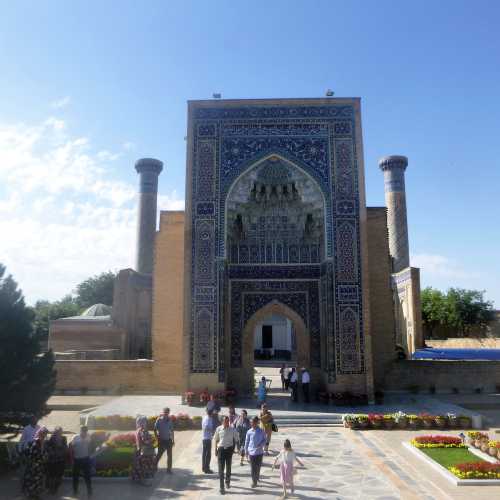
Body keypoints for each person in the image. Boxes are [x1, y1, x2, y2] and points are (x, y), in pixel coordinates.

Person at [214, 415, 239, 495]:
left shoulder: (232, 429)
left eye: (228, 421)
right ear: (222, 422)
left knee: (228, 467)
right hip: (221, 450)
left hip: (229, 450)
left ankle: (227, 482)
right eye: (225, 421)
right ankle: (222, 487)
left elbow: (237, 439)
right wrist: (215, 449)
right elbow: (216, 439)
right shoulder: (218, 429)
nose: (227, 423)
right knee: (220, 470)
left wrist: (234, 448)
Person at [22, 426, 48, 499]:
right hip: (34, 466)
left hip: (40, 465)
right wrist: (42, 457)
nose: (44, 435)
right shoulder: (35, 442)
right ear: (39, 433)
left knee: (38, 480)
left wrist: (45, 456)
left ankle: (36, 495)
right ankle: (30, 495)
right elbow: (32, 454)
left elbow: (45, 453)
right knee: (32, 480)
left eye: (45, 434)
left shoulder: (43, 442)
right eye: (43, 434)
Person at [131, 416, 156, 486]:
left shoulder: (137, 430)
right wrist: (152, 439)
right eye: (145, 422)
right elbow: (146, 441)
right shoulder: (143, 430)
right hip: (144, 452)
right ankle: (144, 482)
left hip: (138, 451)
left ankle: (137, 480)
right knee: (144, 467)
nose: (145, 423)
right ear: (143, 423)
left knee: (138, 466)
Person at [69, 425, 92, 497]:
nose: (84, 432)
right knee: (75, 476)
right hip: (77, 460)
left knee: (87, 476)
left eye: (85, 431)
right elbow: (70, 447)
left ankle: (89, 491)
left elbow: (90, 446)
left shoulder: (88, 436)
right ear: (80, 431)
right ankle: (75, 490)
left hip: (86, 459)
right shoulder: (75, 437)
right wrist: (71, 459)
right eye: (83, 431)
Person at [244, 416, 267, 488]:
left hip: (259, 452)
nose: (252, 423)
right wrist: (246, 451)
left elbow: (265, 440)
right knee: (253, 467)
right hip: (251, 452)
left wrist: (261, 445)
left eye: (253, 422)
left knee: (258, 467)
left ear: (257, 422)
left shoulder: (261, 431)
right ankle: (254, 481)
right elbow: (247, 441)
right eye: (251, 422)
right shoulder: (249, 431)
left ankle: (257, 477)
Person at [45, 426, 68, 494]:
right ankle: (50, 489)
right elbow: (47, 447)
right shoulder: (51, 438)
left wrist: (62, 449)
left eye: (60, 431)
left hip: (61, 460)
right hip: (52, 460)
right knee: (51, 475)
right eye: (57, 431)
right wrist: (51, 451)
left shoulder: (64, 438)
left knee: (59, 476)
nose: (59, 433)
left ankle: (55, 488)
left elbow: (65, 447)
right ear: (55, 432)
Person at [154, 407, 174, 473]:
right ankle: (154, 466)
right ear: (163, 412)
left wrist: (173, 440)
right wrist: (157, 438)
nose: (166, 413)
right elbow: (155, 429)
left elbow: (171, 430)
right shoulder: (159, 420)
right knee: (159, 454)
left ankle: (169, 469)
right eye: (165, 412)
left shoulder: (170, 420)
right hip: (161, 440)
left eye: (167, 412)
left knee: (170, 455)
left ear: (169, 413)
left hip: (168, 440)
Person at [201, 409, 217, 473]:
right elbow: (205, 427)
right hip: (207, 438)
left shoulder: (206, 417)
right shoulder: (207, 419)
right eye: (212, 413)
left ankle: (204, 467)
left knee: (205, 453)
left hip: (207, 438)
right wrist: (212, 430)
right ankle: (206, 468)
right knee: (207, 454)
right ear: (211, 414)